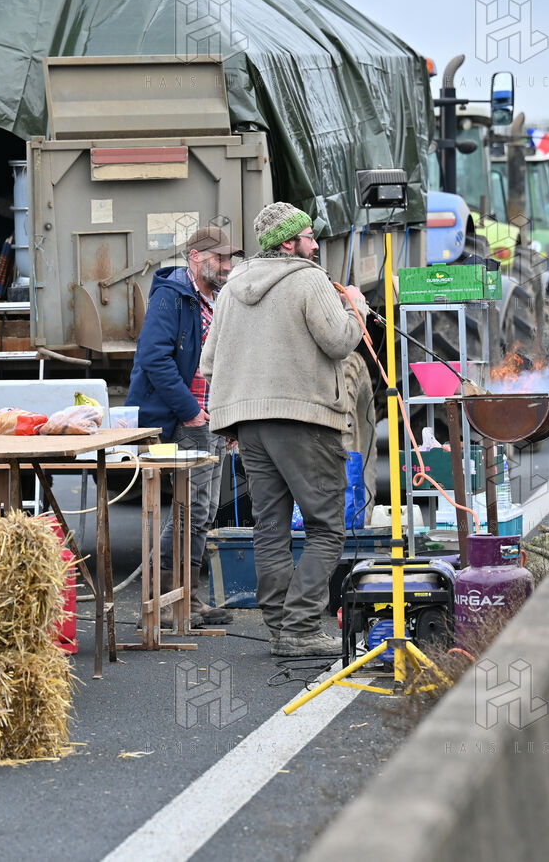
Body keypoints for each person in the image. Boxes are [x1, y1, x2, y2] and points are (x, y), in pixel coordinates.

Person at [199, 202, 368, 657]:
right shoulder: (309, 279)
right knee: (327, 527)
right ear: (290, 244)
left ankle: (279, 629)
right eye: (309, 237)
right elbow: (339, 341)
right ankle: (301, 627)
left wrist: (236, 414)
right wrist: (355, 306)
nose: (315, 245)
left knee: (270, 528)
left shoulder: (233, 285)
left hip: (249, 426)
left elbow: (209, 362)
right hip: (305, 421)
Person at [126, 225, 241, 627]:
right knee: (188, 510)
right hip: (185, 418)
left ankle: (186, 600)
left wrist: (230, 419)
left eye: (229, 258)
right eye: (219, 258)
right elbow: (154, 359)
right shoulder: (171, 297)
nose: (227, 266)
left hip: (212, 418)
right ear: (195, 257)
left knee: (202, 511)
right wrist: (190, 410)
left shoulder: (217, 298)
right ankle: (160, 601)